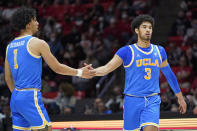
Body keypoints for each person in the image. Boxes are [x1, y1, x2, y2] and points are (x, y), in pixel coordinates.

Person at [4, 8, 95, 131]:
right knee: (45, 129)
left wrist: (17, 94)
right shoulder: (37, 43)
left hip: (15, 98)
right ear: (28, 24)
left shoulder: (9, 46)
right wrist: (79, 72)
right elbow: (57, 68)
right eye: (35, 20)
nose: (38, 23)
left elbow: (8, 77)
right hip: (30, 95)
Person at [93, 15, 187, 131]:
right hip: (132, 100)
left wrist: (180, 98)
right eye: (144, 27)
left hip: (152, 100)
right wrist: (92, 72)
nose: (148, 30)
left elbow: (169, 74)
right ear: (137, 30)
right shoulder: (127, 51)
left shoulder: (160, 51)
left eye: (150, 28)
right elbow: (107, 68)